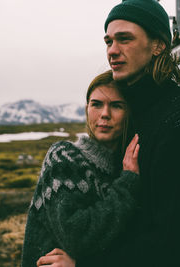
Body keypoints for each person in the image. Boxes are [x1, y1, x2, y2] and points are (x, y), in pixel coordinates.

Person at [75, 0, 180, 267]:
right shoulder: (131, 109)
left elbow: (172, 245)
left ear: (158, 45)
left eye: (124, 39)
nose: (112, 51)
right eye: (108, 42)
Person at [21, 70, 141, 267]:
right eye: (96, 104)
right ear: (87, 109)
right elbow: (76, 237)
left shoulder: (126, 165)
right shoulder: (64, 156)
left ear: (129, 112)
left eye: (117, 106)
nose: (104, 114)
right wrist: (126, 184)